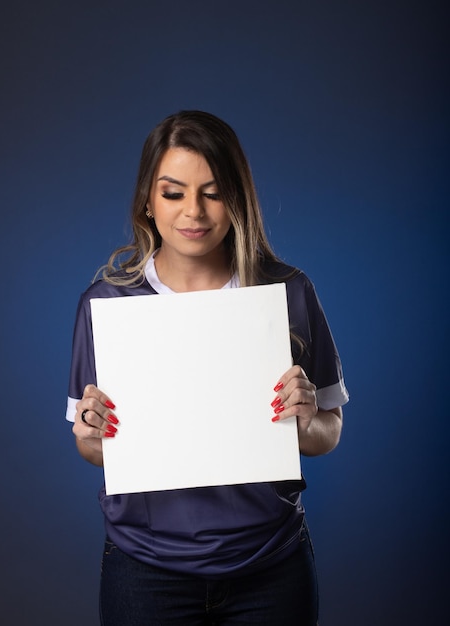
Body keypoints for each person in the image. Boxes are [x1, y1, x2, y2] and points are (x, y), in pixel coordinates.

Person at [66, 110, 349, 625]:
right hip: (145, 568)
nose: (193, 211)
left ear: (237, 199)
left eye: (213, 192)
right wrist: (91, 430)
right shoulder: (107, 304)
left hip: (270, 564)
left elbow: (327, 432)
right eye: (173, 192)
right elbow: (92, 447)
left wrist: (307, 418)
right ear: (147, 203)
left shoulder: (288, 291)